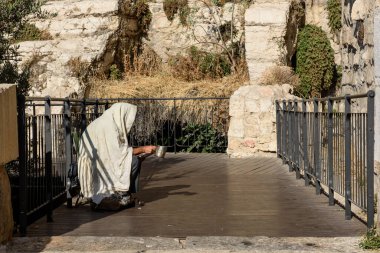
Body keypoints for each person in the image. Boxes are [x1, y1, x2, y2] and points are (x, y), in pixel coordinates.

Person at [77, 102, 156, 210]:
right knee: (134, 161)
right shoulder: (109, 126)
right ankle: (120, 192)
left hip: (97, 160)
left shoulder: (107, 121)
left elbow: (116, 151)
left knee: (134, 159)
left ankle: (123, 193)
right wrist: (143, 149)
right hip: (95, 164)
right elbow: (120, 153)